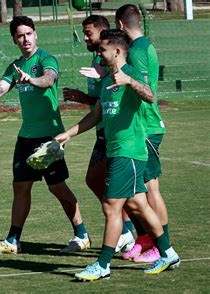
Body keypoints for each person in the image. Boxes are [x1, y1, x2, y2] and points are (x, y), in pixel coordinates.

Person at [55, 29, 180, 281]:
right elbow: (96, 115)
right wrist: (68, 134)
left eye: (102, 49)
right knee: (138, 205)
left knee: (112, 207)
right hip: (116, 151)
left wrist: (130, 82)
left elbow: (150, 96)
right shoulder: (106, 81)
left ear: (117, 51)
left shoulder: (131, 73)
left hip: (129, 152)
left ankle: (102, 265)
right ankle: (168, 253)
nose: (98, 53)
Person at [0, 16, 90, 254]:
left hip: (50, 137)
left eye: (29, 33)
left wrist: (31, 79)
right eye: (20, 35)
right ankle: (13, 240)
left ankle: (81, 235)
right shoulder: (14, 67)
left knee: (57, 187)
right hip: (26, 137)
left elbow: (48, 79)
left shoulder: (46, 59)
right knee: (20, 187)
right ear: (14, 39)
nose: (25, 39)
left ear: (35, 34)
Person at [63, 15, 135, 253]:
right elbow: (99, 105)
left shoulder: (110, 60)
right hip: (103, 130)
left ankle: (135, 237)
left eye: (88, 33)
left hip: (118, 135)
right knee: (98, 182)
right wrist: (81, 98)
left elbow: (131, 91)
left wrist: (105, 76)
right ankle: (129, 233)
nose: (85, 37)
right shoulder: (99, 59)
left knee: (127, 195)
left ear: (103, 33)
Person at [115, 4, 171, 263]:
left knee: (150, 189)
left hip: (147, 126)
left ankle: (162, 247)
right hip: (146, 126)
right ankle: (148, 240)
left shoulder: (136, 51)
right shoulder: (145, 45)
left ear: (120, 25)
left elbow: (144, 90)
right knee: (142, 190)